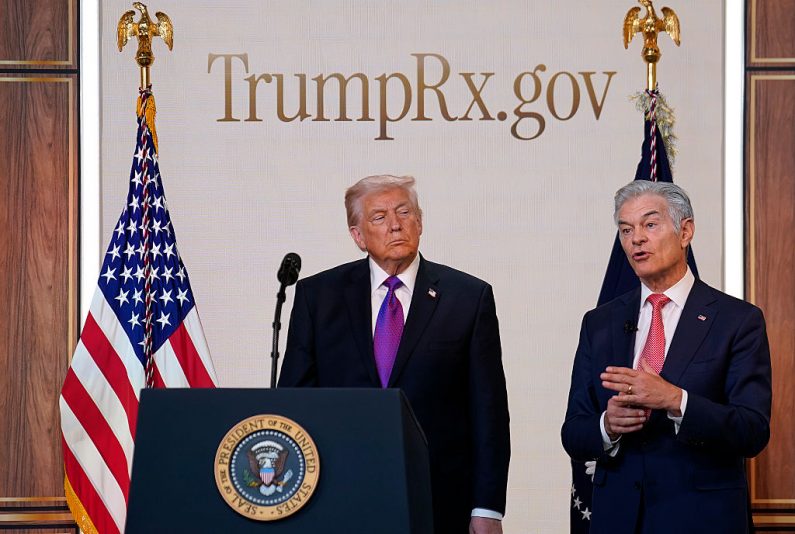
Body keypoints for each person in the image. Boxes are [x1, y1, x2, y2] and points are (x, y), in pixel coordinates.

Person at [278, 174, 510, 533]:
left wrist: (488, 507)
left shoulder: (467, 297)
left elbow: (489, 412)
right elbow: (294, 401)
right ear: (358, 236)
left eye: (404, 212)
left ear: (420, 222)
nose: (395, 225)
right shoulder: (318, 297)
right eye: (379, 217)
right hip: (338, 494)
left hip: (439, 497)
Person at [561, 180, 772, 534]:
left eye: (650, 224)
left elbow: (752, 431)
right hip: (619, 519)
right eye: (626, 229)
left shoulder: (737, 320)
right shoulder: (600, 322)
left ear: (685, 230)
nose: (636, 239)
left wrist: (675, 400)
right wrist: (607, 426)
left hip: (701, 519)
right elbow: (574, 432)